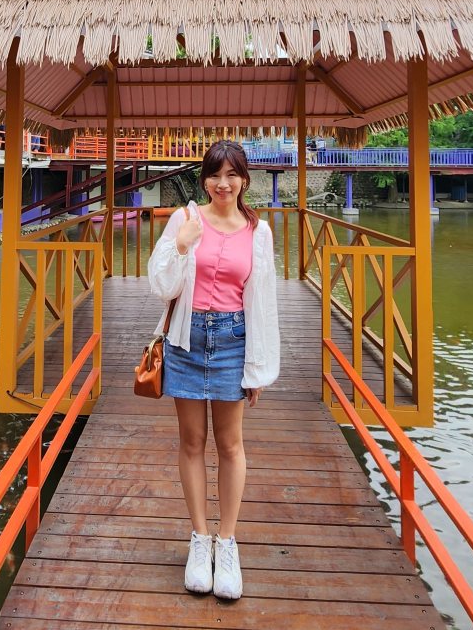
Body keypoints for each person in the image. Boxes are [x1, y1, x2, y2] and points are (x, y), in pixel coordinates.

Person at [147, 139, 279, 600]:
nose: (223, 184)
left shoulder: (258, 231)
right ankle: (198, 538)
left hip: (233, 340)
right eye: (214, 175)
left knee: (230, 443)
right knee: (191, 441)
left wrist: (257, 369)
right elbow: (159, 284)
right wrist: (181, 249)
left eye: (232, 175)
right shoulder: (185, 219)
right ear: (203, 178)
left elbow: (263, 302)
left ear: (244, 179)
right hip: (186, 338)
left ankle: (227, 542)